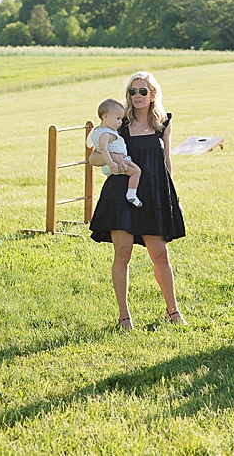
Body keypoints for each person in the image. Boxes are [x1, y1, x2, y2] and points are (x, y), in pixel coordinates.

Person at [87, 70, 187, 330]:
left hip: (154, 194)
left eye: (143, 91)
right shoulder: (120, 124)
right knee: (123, 255)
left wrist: (173, 195)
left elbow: (167, 163)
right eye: (133, 91)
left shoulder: (163, 122)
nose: (137, 96)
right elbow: (94, 157)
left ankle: (173, 311)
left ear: (153, 94)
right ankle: (124, 318)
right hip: (122, 195)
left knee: (160, 255)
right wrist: (114, 160)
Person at [88, 99, 143, 207]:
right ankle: (131, 194)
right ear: (105, 117)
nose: (120, 122)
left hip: (113, 163)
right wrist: (111, 163)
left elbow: (91, 143)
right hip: (115, 164)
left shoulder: (98, 131)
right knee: (136, 171)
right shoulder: (105, 134)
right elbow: (103, 149)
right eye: (118, 119)